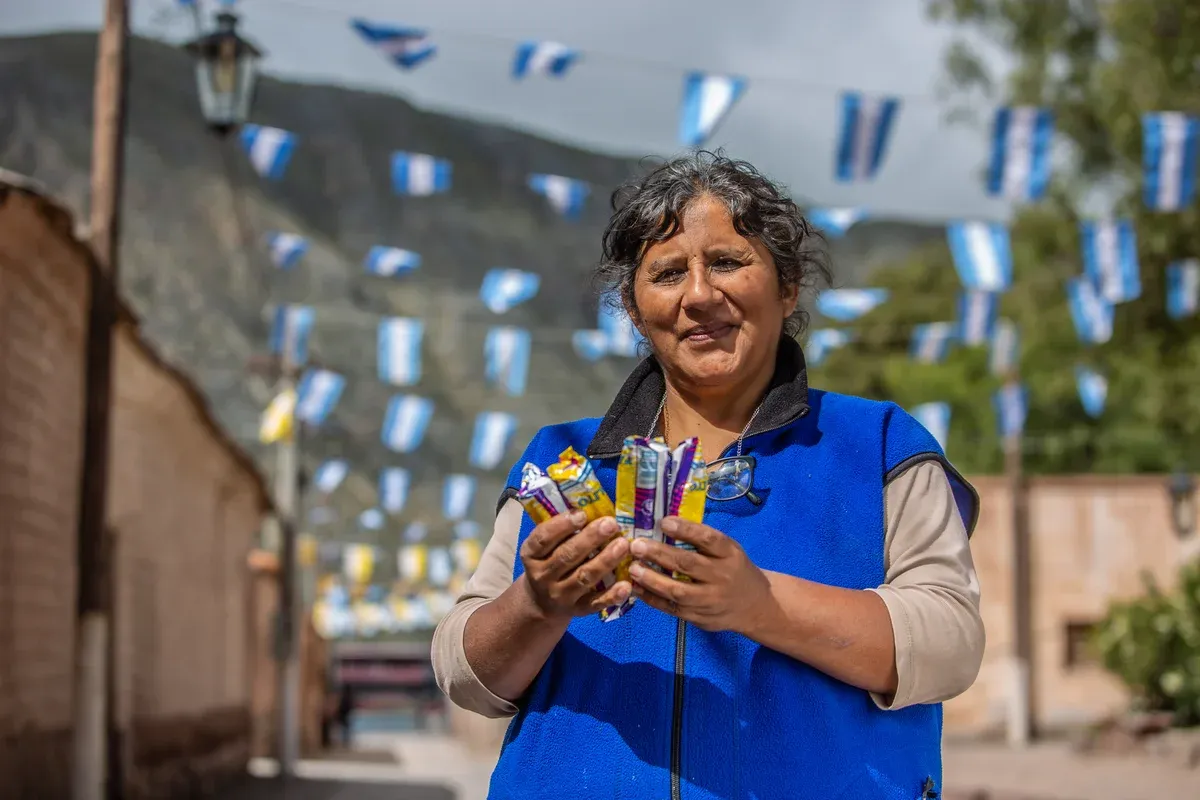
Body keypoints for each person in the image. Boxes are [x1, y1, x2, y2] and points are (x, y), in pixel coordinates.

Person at [432, 151, 984, 799]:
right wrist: (538, 604)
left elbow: (950, 643)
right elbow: (465, 674)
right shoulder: (566, 463)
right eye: (667, 273)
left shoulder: (881, 446)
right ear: (635, 311)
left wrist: (758, 604)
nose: (699, 296)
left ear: (788, 286)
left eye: (726, 262)